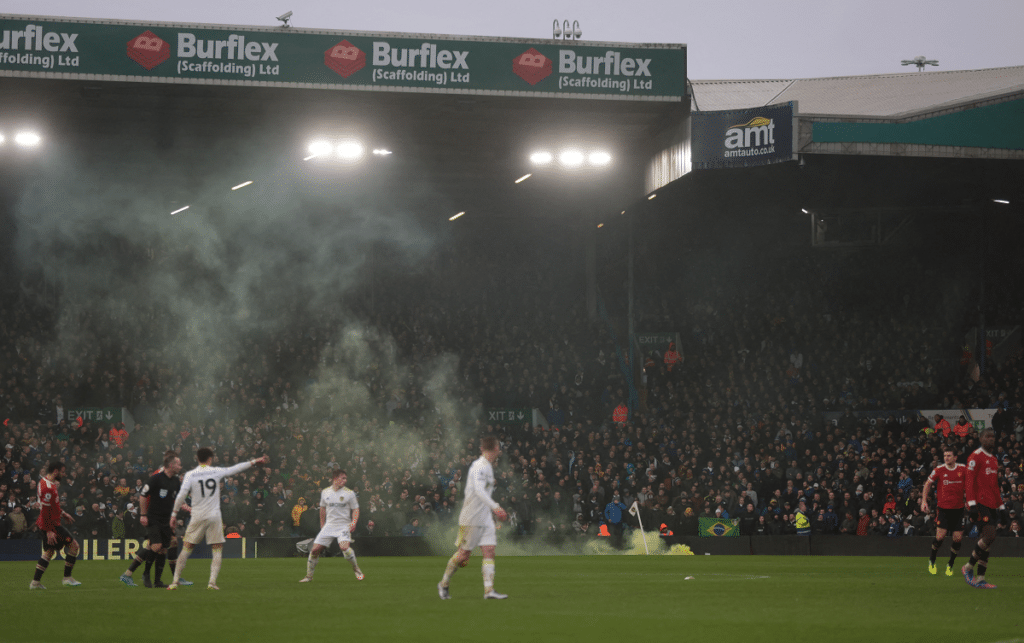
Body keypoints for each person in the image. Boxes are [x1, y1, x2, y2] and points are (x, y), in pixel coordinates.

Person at [167, 448, 269, 590]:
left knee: (187, 548)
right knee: (217, 549)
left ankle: (175, 581)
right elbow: (236, 468)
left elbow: (181, 496)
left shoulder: (190, 474)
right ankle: (212, 583)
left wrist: (173, 515)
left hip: (197, 515)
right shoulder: (216, 471)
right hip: (214, 516)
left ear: (197, 459)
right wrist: (254, 461)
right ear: (210, 459)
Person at [438, 435, 508, 600]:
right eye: (498, 447)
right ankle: (443, 584)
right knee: (463, 556)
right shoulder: (478, 466)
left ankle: (489, 590)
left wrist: (491, 511)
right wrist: (496, 507)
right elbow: (478, 490)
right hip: (471, 518)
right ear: (496, 448)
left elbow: (484, 493)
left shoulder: (488, 467)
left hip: (485, 518)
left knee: (489, 550)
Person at [120, 450, 192, 588]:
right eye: (178, 463)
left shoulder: (174, 480)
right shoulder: (157, 477)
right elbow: (145, 495)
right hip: (152, 517)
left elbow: (176, 498)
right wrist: (143, 515)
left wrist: (182, 509)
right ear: (169, 462)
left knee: (161, 547)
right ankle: (164, 577)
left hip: (164, 518)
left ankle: (136, 575)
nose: (180, 466)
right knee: (159, 545)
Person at [298, 469, 364, 583]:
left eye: (346, 478)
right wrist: (322, 525)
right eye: (343, 478)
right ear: (335, 478)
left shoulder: (349, 493)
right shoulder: (325, 492)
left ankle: (356, 568)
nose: (345, 480)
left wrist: (353, 522)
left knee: (344, 548)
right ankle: (309, 576)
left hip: (343, 525)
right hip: (329, 525)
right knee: (314, 550)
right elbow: (322, 509)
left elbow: (356, 509)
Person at [961, 430, 1008, 589]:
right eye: (987, 437)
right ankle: (968, 567)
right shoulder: (975, 456)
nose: (990, 439)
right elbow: (969, 481)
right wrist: (972, 504)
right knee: (989, 535)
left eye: (992, 437)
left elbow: (995, 486)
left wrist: (1002, 508)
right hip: (979, 503)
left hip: (991, 504)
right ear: (980, 439)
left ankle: (981, 579)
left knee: (988, 540)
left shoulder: (994, 460)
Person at [29, 461, 82, 589]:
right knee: (74, 546)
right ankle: (67, 578)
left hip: (47, 523)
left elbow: (52, 505)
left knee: (49, 552)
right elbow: (46, 510)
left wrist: (63, 513)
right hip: (52, 525)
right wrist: (49, 530)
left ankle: (35, 582)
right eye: (63, 472)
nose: (64, 474)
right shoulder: (48, 487)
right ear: (56, 471)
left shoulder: (44, 482)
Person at [921, 445, 966, 576]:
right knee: (940, 537)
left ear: (955, 457)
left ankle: (950, 565)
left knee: (957, 539)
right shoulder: (939, 470)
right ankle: (932, 560)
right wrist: (924, 501)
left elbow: (971, 482)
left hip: (958, 509)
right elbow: (927, 484)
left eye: (949, 455)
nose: (946, 458)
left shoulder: (963, 469)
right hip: (943, 509)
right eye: (945, 455)